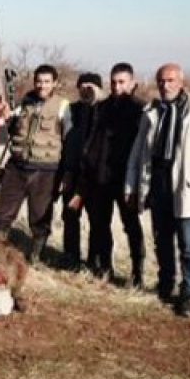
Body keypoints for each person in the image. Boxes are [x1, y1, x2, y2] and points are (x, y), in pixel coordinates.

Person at [125, 63, 190, 317]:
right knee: (162, 240)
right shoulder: (151, 111)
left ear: (181, 81)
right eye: (161, 81)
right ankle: (165, 284)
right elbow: (138, 152)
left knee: (189, 246)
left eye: (170, 80)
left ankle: (188, 293)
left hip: (187, 186)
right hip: (158, 183)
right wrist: (131, 185)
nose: (165, 85)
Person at [69, 63, 145, 286]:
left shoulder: (140, 110)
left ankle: (137, 272)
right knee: (100, 225)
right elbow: (91, 144)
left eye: (122, 82)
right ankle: (105, 267)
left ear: (132, 83)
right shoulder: (101, 108)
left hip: (125, 180)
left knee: (131, 226)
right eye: (113, 82)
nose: (117, 86)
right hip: (100, 178)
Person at [0, 64, 69, 264]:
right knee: (2, 213)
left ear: (55, 83)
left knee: (39, 217)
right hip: (17, 167)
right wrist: (5, 115)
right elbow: (13, 127)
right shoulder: (25, 101)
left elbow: (69, 140)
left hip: (45, 171)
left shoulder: (63, 106)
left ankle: (34, 257)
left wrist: (66, 174)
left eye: (47, 81)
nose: (42, 85)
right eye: (38, 81)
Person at [60, 72, 105, 273]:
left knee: (98, 220)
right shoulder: (71, 109)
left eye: (91, 86)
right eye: (83, 86)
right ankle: (71, 257)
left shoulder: (104, 110)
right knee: (70, 216)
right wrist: (66, 172)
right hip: (73, 172)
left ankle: (97, 261)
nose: (86, 90)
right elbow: (66, 141)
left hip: (96, 176)